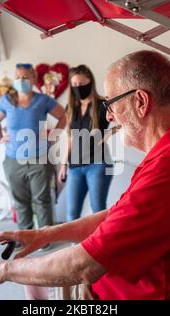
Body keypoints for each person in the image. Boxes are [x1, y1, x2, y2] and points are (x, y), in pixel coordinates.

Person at [0, 51, 170, 300]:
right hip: (127, 283)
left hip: (127, 294)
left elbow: (82, 265)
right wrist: (45, 234)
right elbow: (114, 216)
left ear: (141, 102)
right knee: (35, 279)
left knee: (34, 281)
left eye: (112, 104)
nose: (110, 116)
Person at [0, 63, 66, 233]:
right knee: (20, 200)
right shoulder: (7, 101)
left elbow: (62, 117)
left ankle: (46, 237)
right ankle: (25, 235)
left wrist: (53, 135)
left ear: (33, 79)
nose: (21, 80)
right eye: (17, 77)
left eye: (25, 77)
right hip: (13, 160)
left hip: (39, 159)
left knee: (42, 200)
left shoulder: (43, 100)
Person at [59, 65, 115, 222]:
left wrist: (107, 135)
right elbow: (70, 137)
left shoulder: (103, 104)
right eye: (74, 85)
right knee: (72, 212)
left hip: (98, 164)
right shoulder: (71, 107)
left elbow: (123, 122)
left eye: (81, 83)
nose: (78, 88)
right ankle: (74, 246)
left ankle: (102, 245)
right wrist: (63, 164)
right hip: (75, 166)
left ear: (90, 81)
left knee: (97, 209)